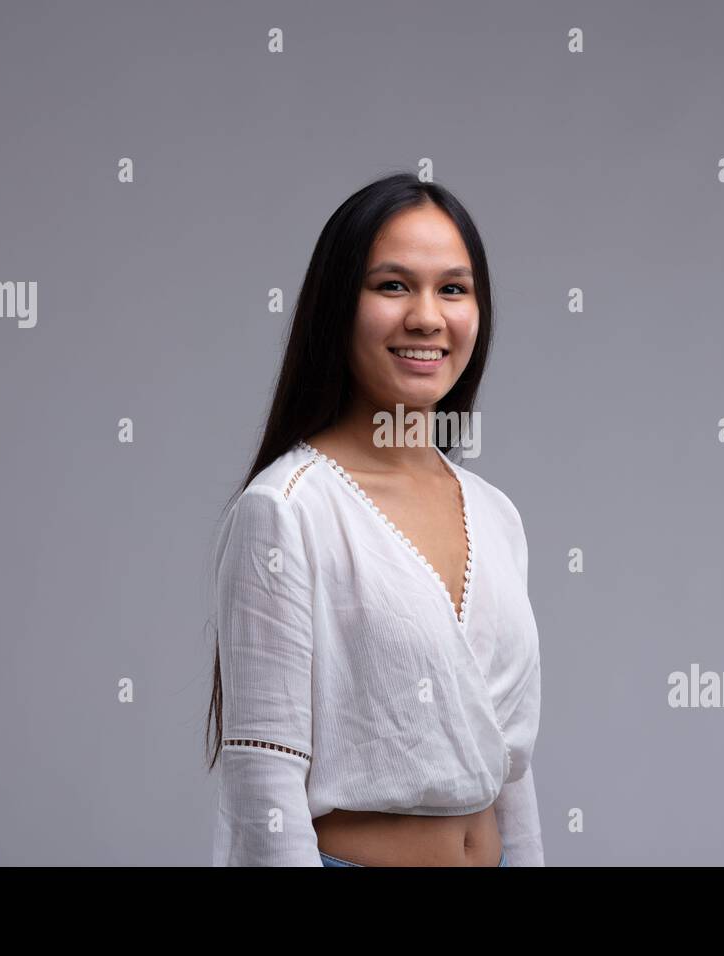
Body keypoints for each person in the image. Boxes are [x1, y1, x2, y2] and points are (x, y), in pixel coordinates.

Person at [205, 172, 543, 867]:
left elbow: (509, 766)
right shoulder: (288, 510)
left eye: (453, 288)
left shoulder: (496, 514)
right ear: (337, 308)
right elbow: (262, 782)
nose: (427, 317)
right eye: (392, 286)